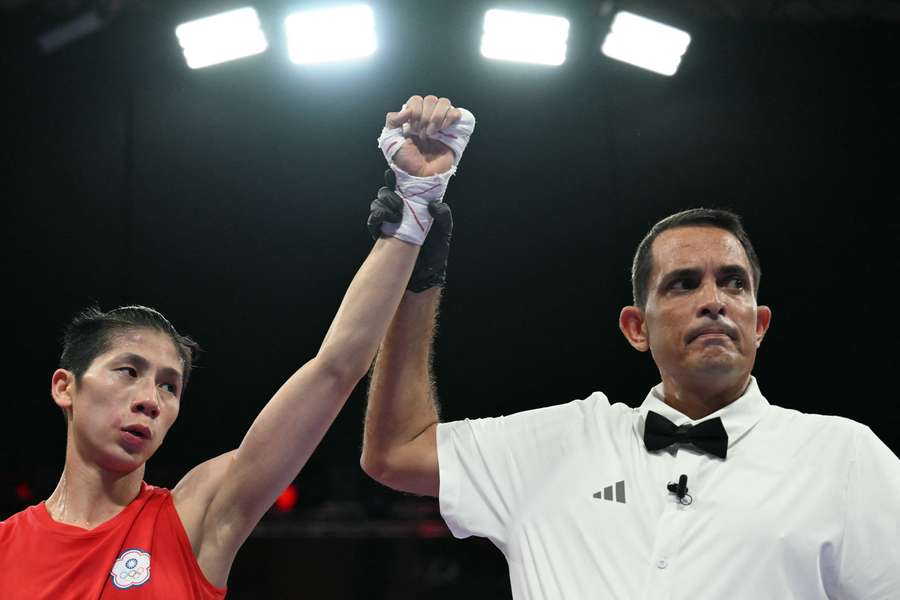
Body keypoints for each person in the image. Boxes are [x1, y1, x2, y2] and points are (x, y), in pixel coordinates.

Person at [0, 93, 475, 599]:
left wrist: (415, 202)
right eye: (127, 371)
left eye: (169, 385)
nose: (150, 399)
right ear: (64, 387)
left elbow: (335, 369)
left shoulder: (197, 514)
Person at [361, 204, 900, 598]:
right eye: (684, 284)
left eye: (733, 284)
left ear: (759, 324)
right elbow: (395, 450)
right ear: (636, 328)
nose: (713, 302)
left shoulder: (845, 455)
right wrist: (416, 276)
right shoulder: (560, 444)